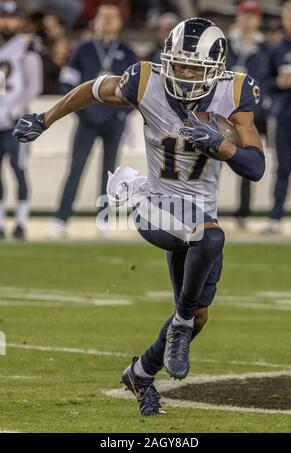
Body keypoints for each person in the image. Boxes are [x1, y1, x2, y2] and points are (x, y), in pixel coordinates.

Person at [13, 18, 265, 415]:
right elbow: (92, 89)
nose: (184, 74)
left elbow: (256, 167)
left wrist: (222, 145)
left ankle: (141, 373)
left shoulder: (235, 92)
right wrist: (44, 120)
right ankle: (177, 327)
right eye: (179, 65)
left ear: (214, 69)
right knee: (210, 241)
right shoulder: (145, 80)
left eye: (193, 68)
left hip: (199, 212)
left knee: (199, 315)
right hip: (154, 204)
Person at [48, 2, 137, 238]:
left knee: (109, 173)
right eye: (103, 17)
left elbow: (138, 91)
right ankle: (61, 219)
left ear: (119, 22)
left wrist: (121, 114)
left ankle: (104, 219)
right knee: (75, 169)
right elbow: (67, 82)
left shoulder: (127, 52)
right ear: (95, 21)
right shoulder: (83, 50)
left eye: (112, 17)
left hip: (113, 121)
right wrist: (80, 111)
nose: (107, 22)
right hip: (87, 119)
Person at [0, 0, 43, 240]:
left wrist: (15, 108)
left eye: (11, 17)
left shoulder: (26, 46)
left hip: (14, 122)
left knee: (18, 170)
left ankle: (21, 221)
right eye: (3, 17)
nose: (6, 22)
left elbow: (33, 85)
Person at [227, 0, 270, 228]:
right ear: (239, 16)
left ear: (258, 19)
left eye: (252, 15)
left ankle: (243, 212)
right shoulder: (225, 44)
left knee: (249, 161)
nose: (248, 19)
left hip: (251, 114)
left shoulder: (265, 49)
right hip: (223, 111)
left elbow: (268, 81)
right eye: (245, 14)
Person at [263, 1, 291, 234]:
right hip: (286, 119)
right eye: (290, 17)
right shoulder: (276, 49)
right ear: (283, 20)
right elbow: (262, 81)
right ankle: (275, 216)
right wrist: (277, 82)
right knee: (283, 169)